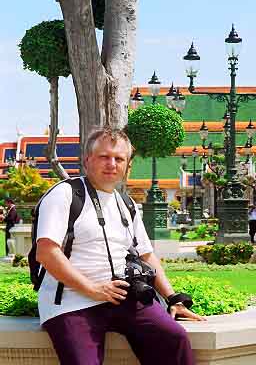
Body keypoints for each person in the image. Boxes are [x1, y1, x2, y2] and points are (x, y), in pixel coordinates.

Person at [36, 127, 205, 365]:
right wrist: (93, 289)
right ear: (87, 161)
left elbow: (146, 254)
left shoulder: (127, 204)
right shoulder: (65, 194)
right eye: (104, 157)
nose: (111, 164)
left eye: (119, 159)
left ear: (127, 166)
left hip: (122, 295)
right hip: (70, 301)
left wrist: (172, 298)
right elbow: (47, 252)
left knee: (174, 339)